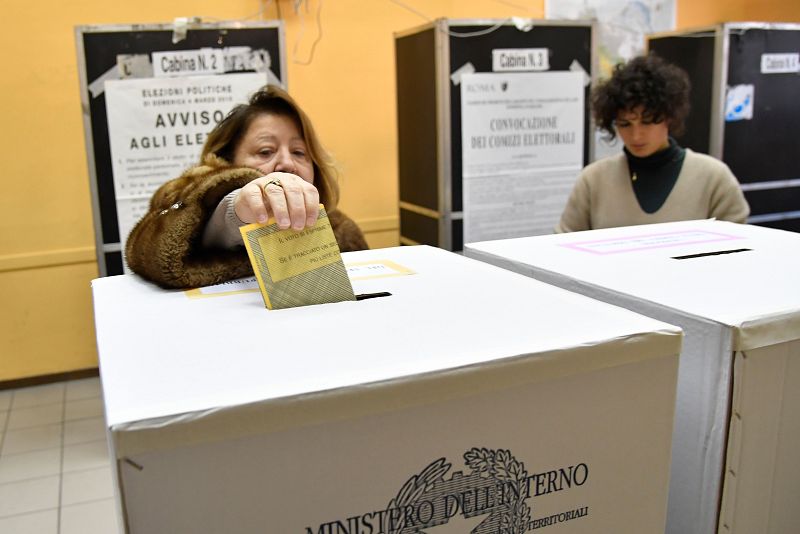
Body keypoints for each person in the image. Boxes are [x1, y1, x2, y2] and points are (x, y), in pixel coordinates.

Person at [125, 85, 368, 288]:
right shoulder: (181, 200)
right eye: (265, 151)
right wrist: (238, 208)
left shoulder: (340, 230)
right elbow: (149, 254)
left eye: (299, 152)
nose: (287, 163)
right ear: (227, 162)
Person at [556, 54, 749, 233]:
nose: (636, 135)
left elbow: (738, 249)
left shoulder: (713, 178)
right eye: (624, 124)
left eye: (648, 122)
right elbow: (562, 244)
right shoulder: (594, 180)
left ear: (669, 117)